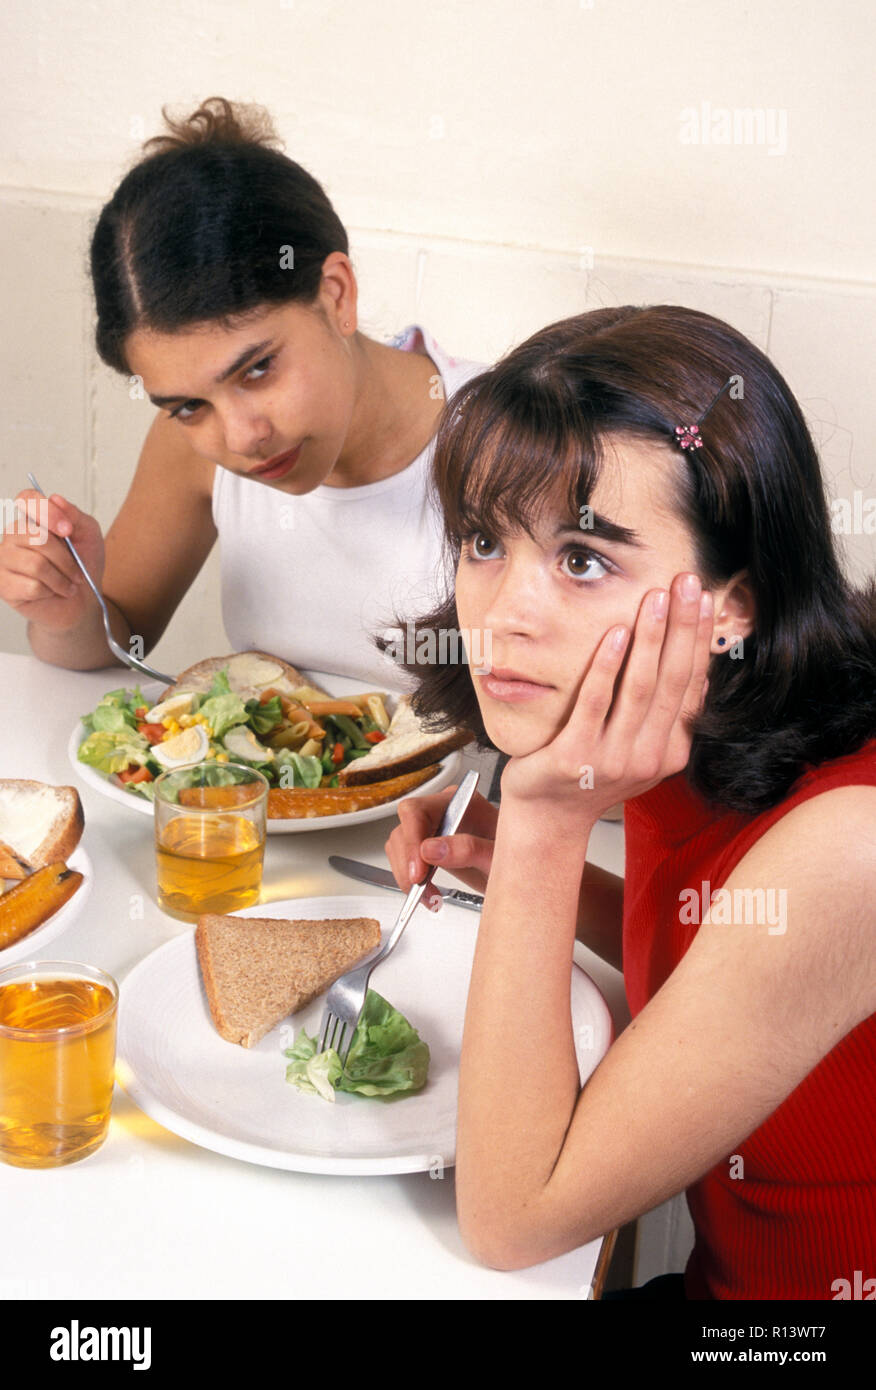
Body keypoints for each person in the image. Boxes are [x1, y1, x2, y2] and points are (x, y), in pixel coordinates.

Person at [384, 304, 876, 1300]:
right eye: (485, 542)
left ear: (733, 602)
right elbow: (722, 949)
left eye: (583, 558)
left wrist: (543, 828)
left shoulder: (847, 845)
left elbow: (513, 1219)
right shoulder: (685, 734)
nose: (507, 616)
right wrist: (523, 863)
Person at [0, 97, 483, 683]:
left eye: (257, 370)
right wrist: (67, 608)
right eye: (188, 405)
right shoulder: (185, 448)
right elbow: (115, 639)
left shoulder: (514, 437)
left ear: (336, 295)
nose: (243, 438)